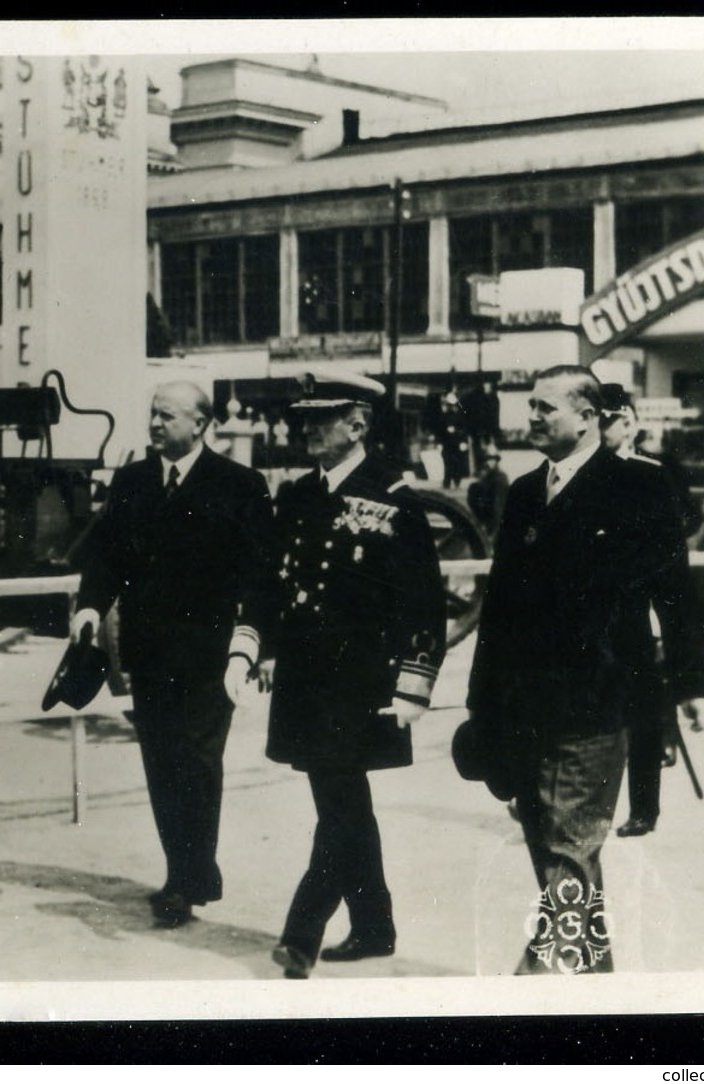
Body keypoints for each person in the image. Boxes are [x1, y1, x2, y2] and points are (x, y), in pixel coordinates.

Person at [465, 365, 704, 975]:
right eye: (532, 407)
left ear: (587, 416)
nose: (533, 418)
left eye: (546, 407)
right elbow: (498, 607)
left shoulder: (637, 487)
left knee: (569, 854)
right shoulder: (524, 490)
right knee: (555, 861)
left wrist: (692, 685)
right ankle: (597, 995)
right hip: (523, 708)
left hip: (599, 702)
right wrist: (481, 703)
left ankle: (531, 996)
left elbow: (675, 593)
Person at [259, 372, 448, 979]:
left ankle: (300, 934)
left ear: (358, 425)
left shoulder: (394, 497)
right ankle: (374, 926)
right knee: (344, 802)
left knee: (338, 811)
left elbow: (424, 600)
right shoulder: (298, 495)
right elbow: (280, 583)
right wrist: (259, 648)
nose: (307, 427)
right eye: (305, 417)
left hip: (363, 685)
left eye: (324, 417)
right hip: (306, 683)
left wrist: (413, 684)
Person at [70, 381, 277, 929]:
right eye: (152, 414)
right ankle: (184, 872)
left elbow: (261, 576)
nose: (155, 424)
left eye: (167, 416)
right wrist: (90, 607)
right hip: (149, 655)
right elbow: (105, 555)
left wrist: (251, 647)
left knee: (198, 764)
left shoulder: (240, 485)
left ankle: (188, 878)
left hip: (212, 660)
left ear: (201, 425)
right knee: (162, 765)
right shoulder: (133, 480)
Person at [597, 384, 704, 838]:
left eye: (608, 421)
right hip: (590, 620)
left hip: (635, 613)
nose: (600, 430)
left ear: (627, 422)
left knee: (643, 713)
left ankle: (645, 807)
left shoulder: (653, 474)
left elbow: (684, 525)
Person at [467, 449, 510, 538]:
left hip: (495, 512)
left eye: (492, 460)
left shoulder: (500, 477)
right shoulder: (485, 475)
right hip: (486, 512)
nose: (489, 462)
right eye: (487, 460)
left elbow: (499, 502)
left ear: (496, 461)